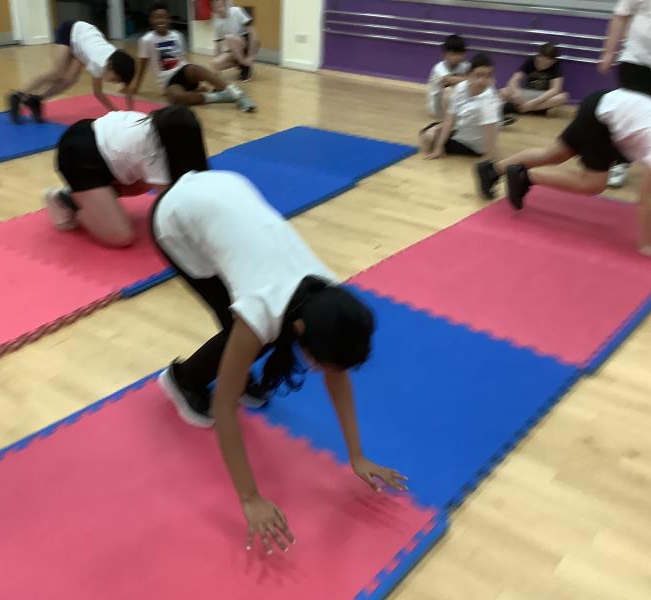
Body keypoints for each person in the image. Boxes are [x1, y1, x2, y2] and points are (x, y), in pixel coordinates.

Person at [152, 169, 407, 553]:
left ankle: (234, 368)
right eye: (320, 363)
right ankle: (182, 380)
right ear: (300, 330)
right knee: (240, 334)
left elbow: (337, 377)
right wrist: (250, 498)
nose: (322, 371)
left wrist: (357, 457)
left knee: (252, 337)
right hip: (176, 218)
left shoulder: (326, 294)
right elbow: (224, 407)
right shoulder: (263, 309)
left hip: (227, 189)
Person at [475, 89, 651, 259]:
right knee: (593, 183)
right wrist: (646, 244)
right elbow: (644, 199)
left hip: (602, 102)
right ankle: (525, 176)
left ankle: (491, 170)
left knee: (554, 155)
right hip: (603, 119)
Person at [44, 104, 207, 247]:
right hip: (78, 156)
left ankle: (96, 199)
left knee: (146, 183)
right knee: (121, 236)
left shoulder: (161, 132)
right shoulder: (153, 149)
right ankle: (68, 200)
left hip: (97, 144)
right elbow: (169, 202)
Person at [130, 3, 256, 112]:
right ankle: (220, 97)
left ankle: (237, 94)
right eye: (156, 17)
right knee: (177, 99)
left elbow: (183, 59)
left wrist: (196, 84)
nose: (160, 20)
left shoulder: (177, 35)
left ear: (169, 19)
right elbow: (142, 65)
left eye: (163, 17)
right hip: (169, 82)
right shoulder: (146, 40)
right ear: (151, 20)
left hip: (184, 72)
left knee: (194, 68)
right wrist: (135, 86)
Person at [8, 20, 136, 124]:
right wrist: (116, 113)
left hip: (84, 43)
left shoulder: (116, 59)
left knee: (70, 80)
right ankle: (17, 96)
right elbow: (98, 93)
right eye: (114, 79)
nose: (114, 82)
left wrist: (130, 113)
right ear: (110, 67)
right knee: (57, 72)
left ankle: (36, 99)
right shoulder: (98, 62)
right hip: (71, 31)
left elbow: (127, 86)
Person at [599, 0, 651, 188]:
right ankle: (619, 163)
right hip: (637, 59)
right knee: (630, 117)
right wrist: (609, 52)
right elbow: (621, 15)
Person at [420, 54, 501, 160]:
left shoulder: (489, 98)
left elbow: (490, 130)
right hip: (461, 131)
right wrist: (439, 147)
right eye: (478, 75)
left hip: (472, 146)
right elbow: (450, 118)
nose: (482, 80)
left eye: (488, 76)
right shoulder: (461, 87)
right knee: (428, 133)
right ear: (469, 75)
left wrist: (488, 155)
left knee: (429, 136)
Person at [499, 43, 569, 121]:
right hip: (526, 94)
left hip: (542, 98)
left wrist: (532, 103)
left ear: (553, 61)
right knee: (503, 91)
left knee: (563, 97)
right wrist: (516, 93)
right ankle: (526, 109)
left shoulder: (556, 65)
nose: (542, 65)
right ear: (537, 56)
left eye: (546, 63)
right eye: (540, 61)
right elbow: (513, 80)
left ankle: (521, 109)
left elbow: (555, 89)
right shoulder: (530, 60)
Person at [211, 0, 259, 82]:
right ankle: (239, 63)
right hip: (233, 49)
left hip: (246, 45)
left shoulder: (237, 11)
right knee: (215, 63)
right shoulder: (216, 21)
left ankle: (245, 64)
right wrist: (216, 67)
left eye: (219, 1)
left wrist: (250, 56)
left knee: (229, 38)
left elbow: (253, 34)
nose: (218, 4)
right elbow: (218, 44)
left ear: (225, 2)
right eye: (215, 2)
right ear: (212, 6)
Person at [427, 34, 469, 118]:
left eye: (460, 54)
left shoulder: (465, 66)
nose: (457, 57)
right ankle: (448, 120)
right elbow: (449, 80)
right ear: (445, 54)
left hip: (454, 103)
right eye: (454, 54)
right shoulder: (439, 67)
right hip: (437, 106)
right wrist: (470, 79)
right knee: (448, 90)